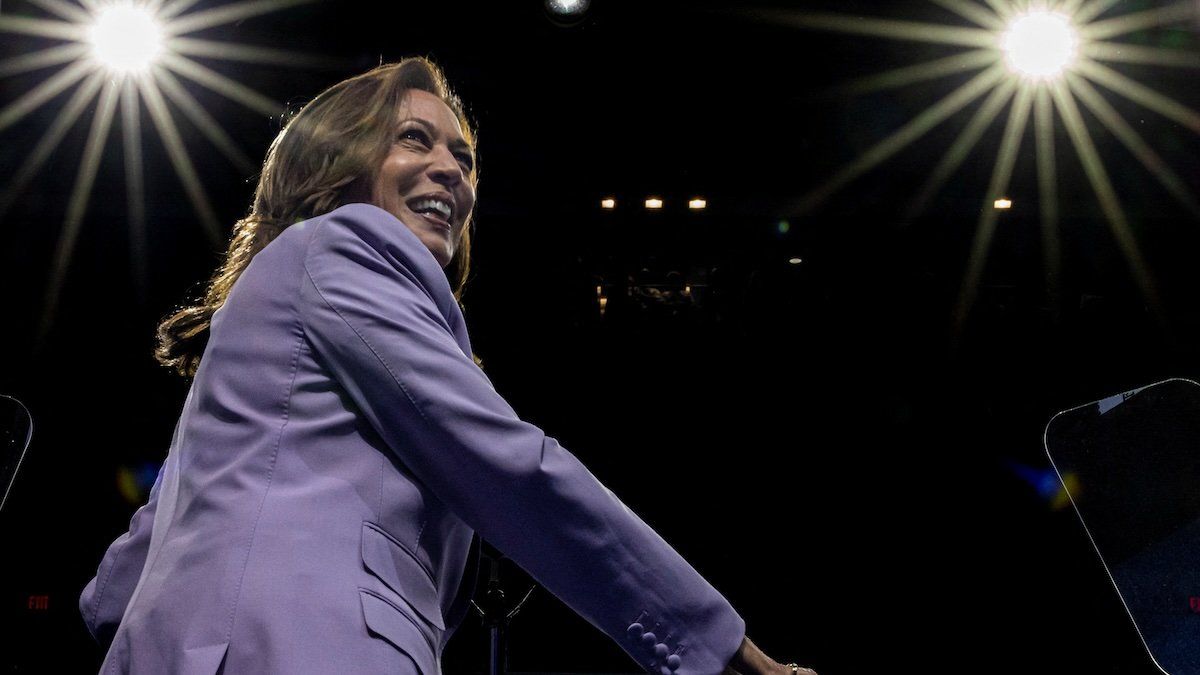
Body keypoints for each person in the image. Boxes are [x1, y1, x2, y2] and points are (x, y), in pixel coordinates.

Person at [79, 57, 815, 675]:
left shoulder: (270, 309)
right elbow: (510, 464)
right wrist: (720, 650)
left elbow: (124, 576)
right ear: (337, 160)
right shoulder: (344, 244)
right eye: (412, 139)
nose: (451, 171)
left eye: (462, 157)